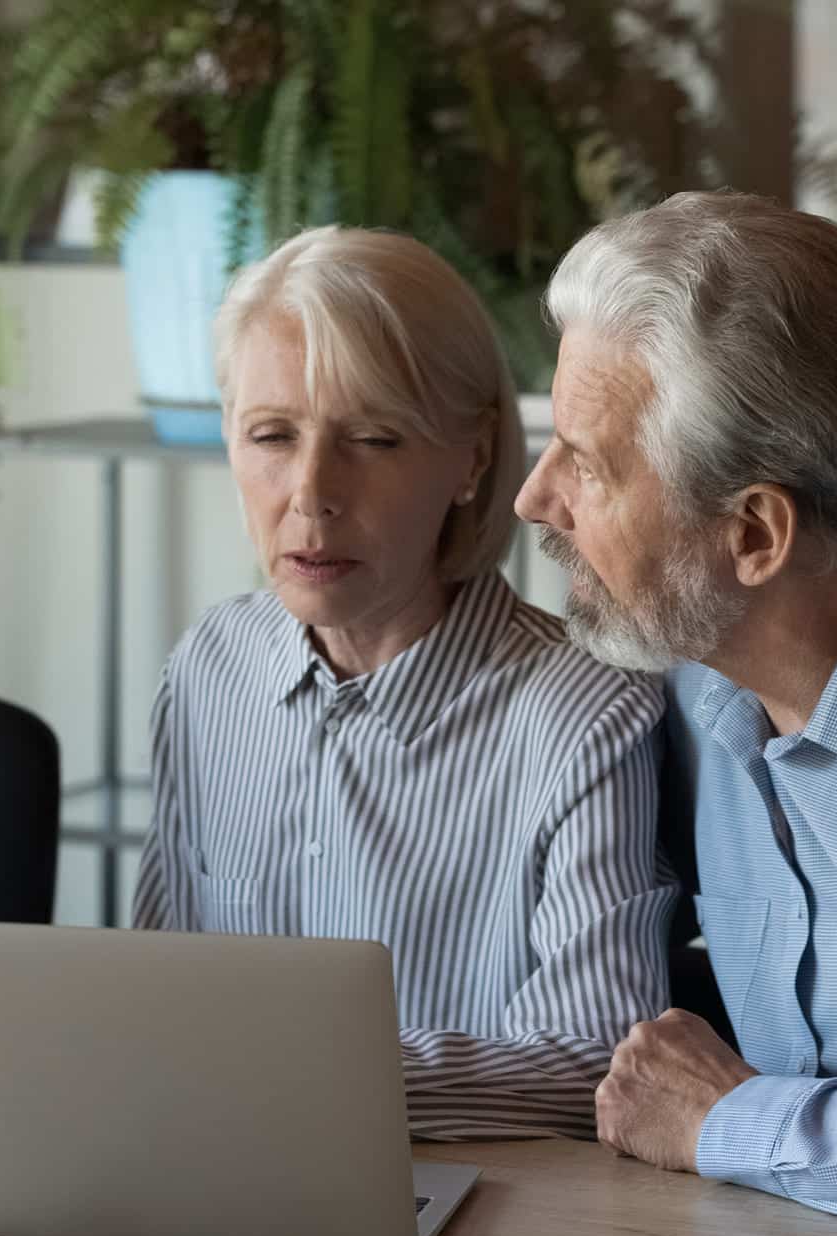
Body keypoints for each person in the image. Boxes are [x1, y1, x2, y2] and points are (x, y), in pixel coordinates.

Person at [516, 188, 837, 1236]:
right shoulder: (699, 672)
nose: (535, 497)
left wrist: (728, 1121)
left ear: (754, 534)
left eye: (588, 463)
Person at [133, 226, 676, 1139]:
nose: (311, 492)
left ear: (473, 458)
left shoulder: (585, 714)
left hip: (477, 1203)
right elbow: (151, 997)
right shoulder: (209, 670)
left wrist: (291, 1081)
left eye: (373, 439)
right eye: (271, 435)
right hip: (205, 1173)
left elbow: (597, 1061)